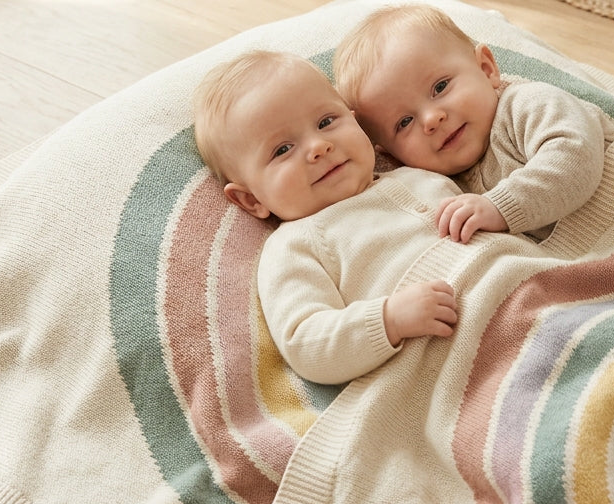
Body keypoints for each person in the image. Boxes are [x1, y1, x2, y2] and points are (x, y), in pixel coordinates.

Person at [193, 49, 520, 385]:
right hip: (465, 360)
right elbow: (304, 341)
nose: (318, 146)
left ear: (356, 122)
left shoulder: (418, 172)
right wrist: (388, 320)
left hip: (527, 287)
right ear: (250, 199)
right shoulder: (295, 245)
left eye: (325, 122)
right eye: (282, 150)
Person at [333, 3, 614, 245]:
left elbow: (576, 155)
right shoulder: (438, 183)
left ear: (486, 69)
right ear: (391, 155)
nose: (432, 119)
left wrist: (501, 206)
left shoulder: (525, 105)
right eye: (405, 122)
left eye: (440, 87)